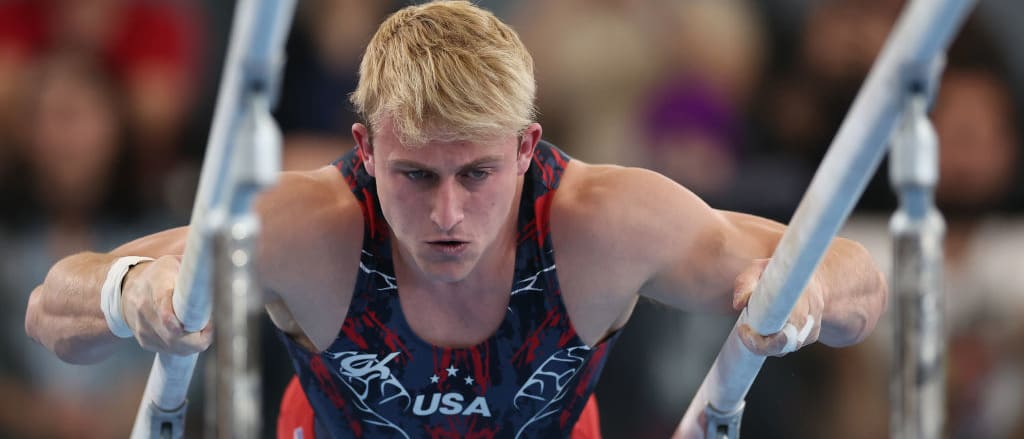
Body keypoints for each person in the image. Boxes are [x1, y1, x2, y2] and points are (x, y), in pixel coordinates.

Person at [24, 2, 888, 438]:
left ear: (527, 148)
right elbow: (50, 311)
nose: (447, 213)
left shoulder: (605, 220)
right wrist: (131, 293)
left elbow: (856, 274)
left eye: (477, 173)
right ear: (364, 148)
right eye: (413, 174)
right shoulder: (305, 225)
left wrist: (801, 299)